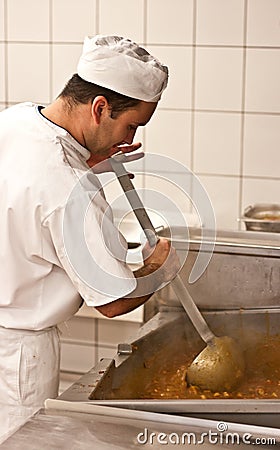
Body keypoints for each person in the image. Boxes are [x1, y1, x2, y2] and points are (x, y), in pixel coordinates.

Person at [0, 35, 180, 442]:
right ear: (100, 108)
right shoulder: (69, 190)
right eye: (131, 124)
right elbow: (114, 302)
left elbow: (31, 188)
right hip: (18, 362)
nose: (130, 136)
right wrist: (160, 269)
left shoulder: (17, 120)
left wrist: (90, 159)